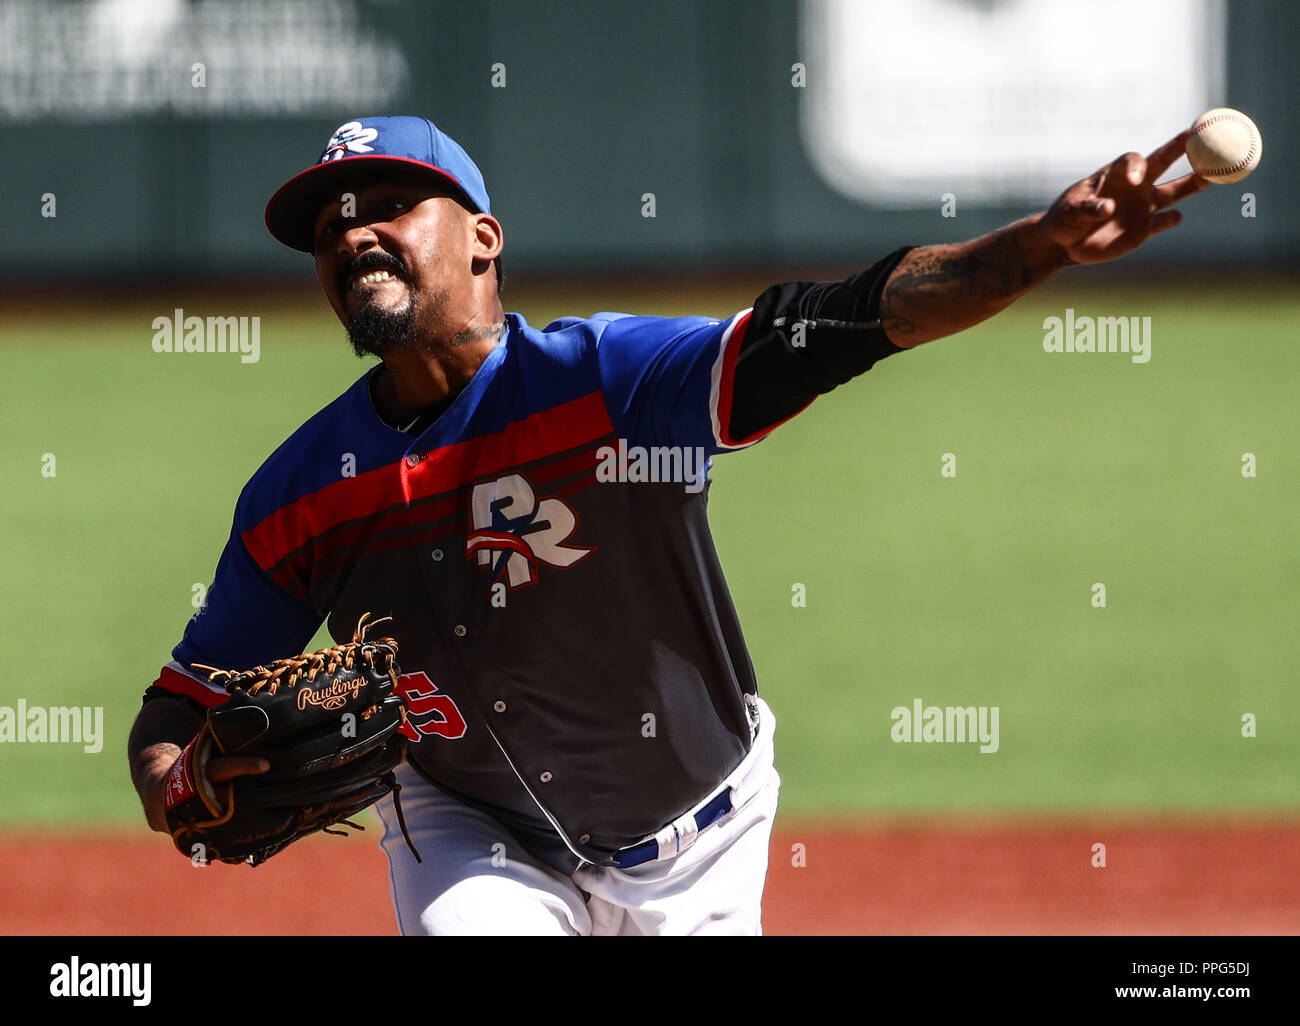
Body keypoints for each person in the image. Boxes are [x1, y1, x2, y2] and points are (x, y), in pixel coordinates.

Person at [127, 115, 1208, 936]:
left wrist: (1036, 248)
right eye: (329, 228)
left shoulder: (608, 382)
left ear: (483, 237)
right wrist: (178, 785)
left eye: (391, 205)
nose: (353, 231)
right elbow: (177, 709)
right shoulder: (301, 491)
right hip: (472, 829)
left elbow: (837, 326)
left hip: (705, 832)